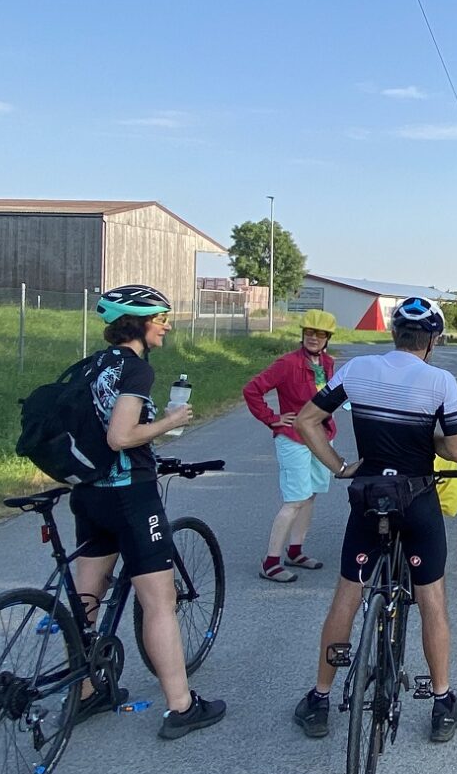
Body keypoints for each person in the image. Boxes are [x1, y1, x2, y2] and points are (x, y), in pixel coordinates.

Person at [291, 296, 457, 743]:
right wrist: (423, 433)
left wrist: (337, 465)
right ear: (432, 339)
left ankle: (319, 698)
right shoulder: (441, 381)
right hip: (418, 498)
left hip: (368, 494)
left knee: (347, 594)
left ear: (393, 334)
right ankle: (443, 702)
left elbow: (307, 420)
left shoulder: (356, 369)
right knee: (431, 598)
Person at [70, 285, 226, 739]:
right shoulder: (134, 369)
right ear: (137, 322)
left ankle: (85, 691)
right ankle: (180, 706)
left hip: (91, 494)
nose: (166, 324)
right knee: (160, 601)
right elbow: (121, 437)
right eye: (160, 316)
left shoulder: (92, 365)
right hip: (130, 496)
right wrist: (170, 422)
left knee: (86, 600)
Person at [243, 309, 340, 582]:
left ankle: (295, 551)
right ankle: (270, 562)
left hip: (321, 437)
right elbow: (252, 390)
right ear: (302, 334)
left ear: (327, 338)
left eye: (319, 334)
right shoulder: (287, 363)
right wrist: (273, 419)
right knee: (295, 498)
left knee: (310, 495)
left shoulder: (328, 363)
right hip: (294, 438)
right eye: (309, 332)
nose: (313, 338)